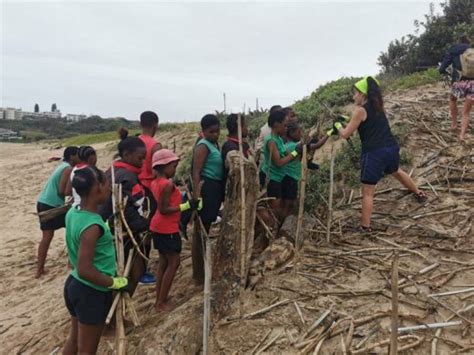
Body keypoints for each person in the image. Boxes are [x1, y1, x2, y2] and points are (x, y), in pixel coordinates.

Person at [334, 76, 427, 232]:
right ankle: (419, 193)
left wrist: (337, 125)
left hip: (374, 153)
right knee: (396, 171)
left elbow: (345, 134)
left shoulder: (360, 110)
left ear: (363, 94)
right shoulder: (378, 106)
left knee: (368, 192)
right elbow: (366, 121)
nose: (353, 96)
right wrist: (345, 119)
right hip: (391, 148)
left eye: (355, 93)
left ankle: (365, 227)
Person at [63, 166, 128, 354]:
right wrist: (114, 282)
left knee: (74, 340)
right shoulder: (92, 226)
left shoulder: (73, 213)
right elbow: (85, 268)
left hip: (74, 284)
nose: (109, 187)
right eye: (107, 183)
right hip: (90, 290)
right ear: (97, 188)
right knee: (87, 350)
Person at [99, 129, 149, 296]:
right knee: (130, 272)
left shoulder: (112, 171)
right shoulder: (127, 176)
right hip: (121, 232)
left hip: (110, 228)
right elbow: (126, 209)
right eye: (140, 158)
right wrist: (144, 224)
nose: (143, 162)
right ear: (127, 155)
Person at [150, 149, 199, 312]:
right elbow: (164, 209)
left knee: (163, 262)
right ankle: (161, 302)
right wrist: (186, 206)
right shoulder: (167, 184)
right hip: (166, 228)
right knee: (174, 262)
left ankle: (160, 298)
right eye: (173, 166)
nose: (175, 169)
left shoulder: (155, 182)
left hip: (158, 227)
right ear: (164, 167)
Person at [191, 114, 224, 285]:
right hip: (207, 187)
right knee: (202, 228)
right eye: (211, 131)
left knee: (207, 225)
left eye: (217, 131)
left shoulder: (213, 144)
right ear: (203, 131)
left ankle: (204, 265)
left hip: (214, 187)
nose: (215, 134)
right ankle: (200, 271)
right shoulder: (203, 146)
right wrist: (197, 194)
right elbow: (196, 171)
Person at [36, 146, 79, 278]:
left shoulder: (62, 165)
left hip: (43, 202)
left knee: (47, 237)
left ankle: (40, 269)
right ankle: (71, 262)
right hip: (52, 206)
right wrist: (77, 192)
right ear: (72, 156)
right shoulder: (68, 168)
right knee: (72, 230)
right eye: (77, 155)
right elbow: (62, 191)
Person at [282, 122, 328, 216]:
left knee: (289, 203)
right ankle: (283, 224)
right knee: (288, 205)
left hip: (287, 178)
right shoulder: (293, 146)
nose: (301, 134)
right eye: (299, 132)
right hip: (290, 179)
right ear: (291, 133)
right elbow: (316, 145)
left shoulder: (287, 145)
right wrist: (329, 133)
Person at [259, 110, 299, 219]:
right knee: (274, 209)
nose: (286, 129)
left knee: (278, 207)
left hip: (278, 178)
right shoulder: (272, 141)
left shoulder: (279, 139)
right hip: (272, 179)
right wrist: (295, 152)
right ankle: (270, 230)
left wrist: (297, 150)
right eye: (285, 126)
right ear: (276, 125)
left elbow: (288, 156)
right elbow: (279, 163)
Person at [137, 111, 162, 284]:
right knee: (148, 231)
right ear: (155, 125)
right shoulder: (155, 145)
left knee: (137, 230)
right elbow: (156, 172)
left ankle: (138, 267)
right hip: (149, 190)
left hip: (134, 189)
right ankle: (141, 271)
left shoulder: (135, 142)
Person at [439, 34, 473, 140]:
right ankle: (462, 135)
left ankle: (454, 124)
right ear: (468, 43)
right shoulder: (472, 51)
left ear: (459, 41)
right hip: (473, 84)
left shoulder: (453, 51)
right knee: (466, 112)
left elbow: (441, 69)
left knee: (452, 99)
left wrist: (447, 73)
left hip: (458, 83)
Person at [221, 113, 252, 183]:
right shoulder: (230, 147)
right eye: (246, 126)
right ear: (239, 128)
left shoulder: (243, 144)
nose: (248, 129)